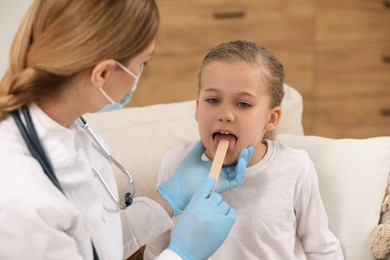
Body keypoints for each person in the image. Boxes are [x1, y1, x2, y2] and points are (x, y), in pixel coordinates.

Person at [0, 1, 255, 259]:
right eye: (142, 62)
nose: (140, 74)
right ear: (103, 74)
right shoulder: (21, 200)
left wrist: (169, 198)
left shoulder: (75, 134)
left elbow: (97, 244)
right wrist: (182, 253)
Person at [145, 40, 345, 259]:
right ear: (197, 108)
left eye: (243, 104)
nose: (225, 114)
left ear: (272, 118)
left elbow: (322, 248)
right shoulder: (175, 165)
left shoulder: (295, 167)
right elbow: (155, 249)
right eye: (213, 100)